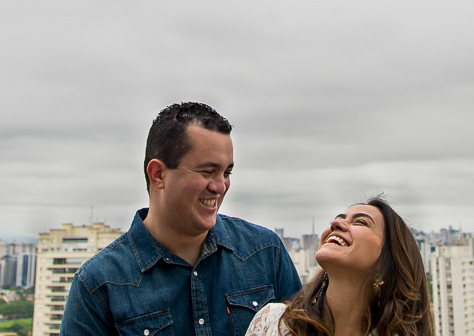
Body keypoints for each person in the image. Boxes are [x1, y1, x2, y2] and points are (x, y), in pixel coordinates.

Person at [60, 102, 302, 336]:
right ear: (158, 175)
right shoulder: (98, 285)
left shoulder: (265, 253)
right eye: (207, 172)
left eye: (226, 172)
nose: (220, 186)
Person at [244, 196, 433, 336]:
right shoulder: (273, 324)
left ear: (387, 260)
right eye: (337, 219)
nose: (336, 224)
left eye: (360, 222)